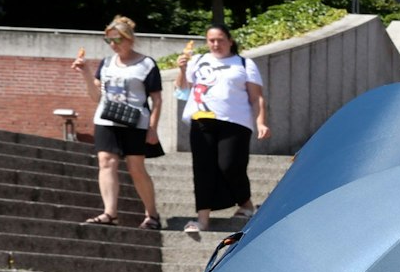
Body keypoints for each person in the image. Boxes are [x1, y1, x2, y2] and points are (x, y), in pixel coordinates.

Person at [70, 15, 163, 229]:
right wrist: (85, 73)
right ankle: (110, 213)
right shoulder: (106, 63)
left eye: (117, 40)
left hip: (135, 122)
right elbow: (96, 96)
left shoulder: (146, 64)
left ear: (129, 39)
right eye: (109, 41)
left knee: (136, 168)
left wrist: (153, 128)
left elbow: (157, 99)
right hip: (106, 119)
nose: (113, 45)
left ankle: (152, 214)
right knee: (106, 162)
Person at [177, 24, 269, 239]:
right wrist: (182, 70)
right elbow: (182, 91)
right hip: (202, 121)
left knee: (230, 166)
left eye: (220, 39)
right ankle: (202, 219)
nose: (215, 44)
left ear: (230, 40)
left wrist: (261, 122)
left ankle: (245, 203)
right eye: (211, 40)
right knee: (203, 169)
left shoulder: (244, 64)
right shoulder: (197, 61)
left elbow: (257, 98)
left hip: (235, 122)